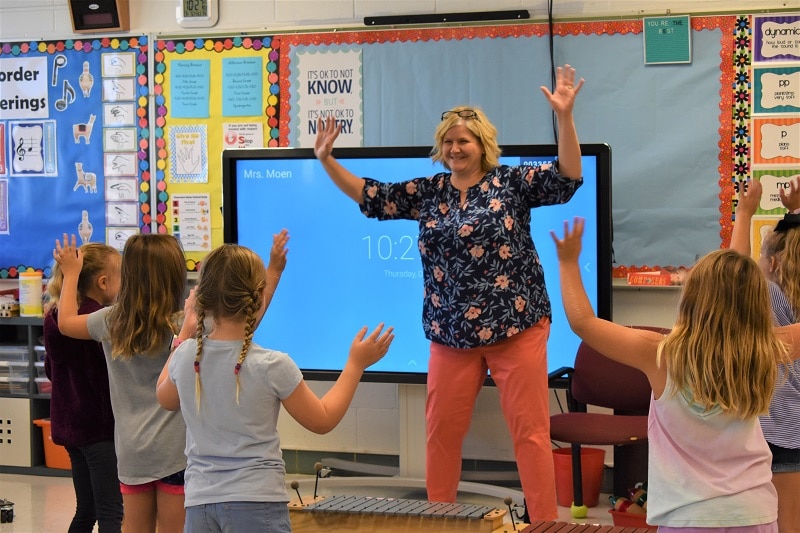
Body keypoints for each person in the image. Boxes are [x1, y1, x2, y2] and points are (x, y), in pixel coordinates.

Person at [313, 64, 585, 520]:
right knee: (440, 433)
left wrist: (565, 117)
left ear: (483, 145)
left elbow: (567, 178)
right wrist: (326, 160)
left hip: (515, 327)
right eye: (449, 140)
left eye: (465, 140)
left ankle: (544, 525)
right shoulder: (429, 192)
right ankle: (440, 523)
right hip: (450, 335)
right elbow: (371, 197)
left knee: (531, 434)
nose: (455, 147)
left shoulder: (511, 183)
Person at [551, 216, 800, 531]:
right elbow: (735, 285)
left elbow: (582, 322)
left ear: (692, 299)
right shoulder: (766, 349)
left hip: (687, 518)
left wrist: (567, 262)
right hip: (754, 514)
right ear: (756, 304)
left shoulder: (661, 355)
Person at [155, 232, 395, 533]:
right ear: (255, 300)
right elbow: (322, 420)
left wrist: (185, 331)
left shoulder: (187, 355)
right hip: (256, 503)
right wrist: (356, 364)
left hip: (200, 506)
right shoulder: (272, 365)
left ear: (202, 299)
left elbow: (164, 397)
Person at [53, 233, 195, 533]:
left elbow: (65, 322)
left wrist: (71, 274)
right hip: (176, 454)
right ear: (176, 274)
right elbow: (248, 321)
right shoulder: (185, 322)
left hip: (132, 453)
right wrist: (273, 272)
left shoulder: (112, 320)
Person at [730, 176, 800, 533]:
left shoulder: (770, 296)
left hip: (777, 434)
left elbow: (735, 274)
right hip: (790, 433)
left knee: (782, 524)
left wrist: (744, 214)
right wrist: (795, 214)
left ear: (773, 264)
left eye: (763, 256)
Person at [42, 242, 123, 533]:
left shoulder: (55, 318)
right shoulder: (96, 320)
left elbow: (51, 370)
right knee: (113, 513)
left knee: (86, 510)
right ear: (103, 282)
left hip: (71, 429)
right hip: (98, 431)